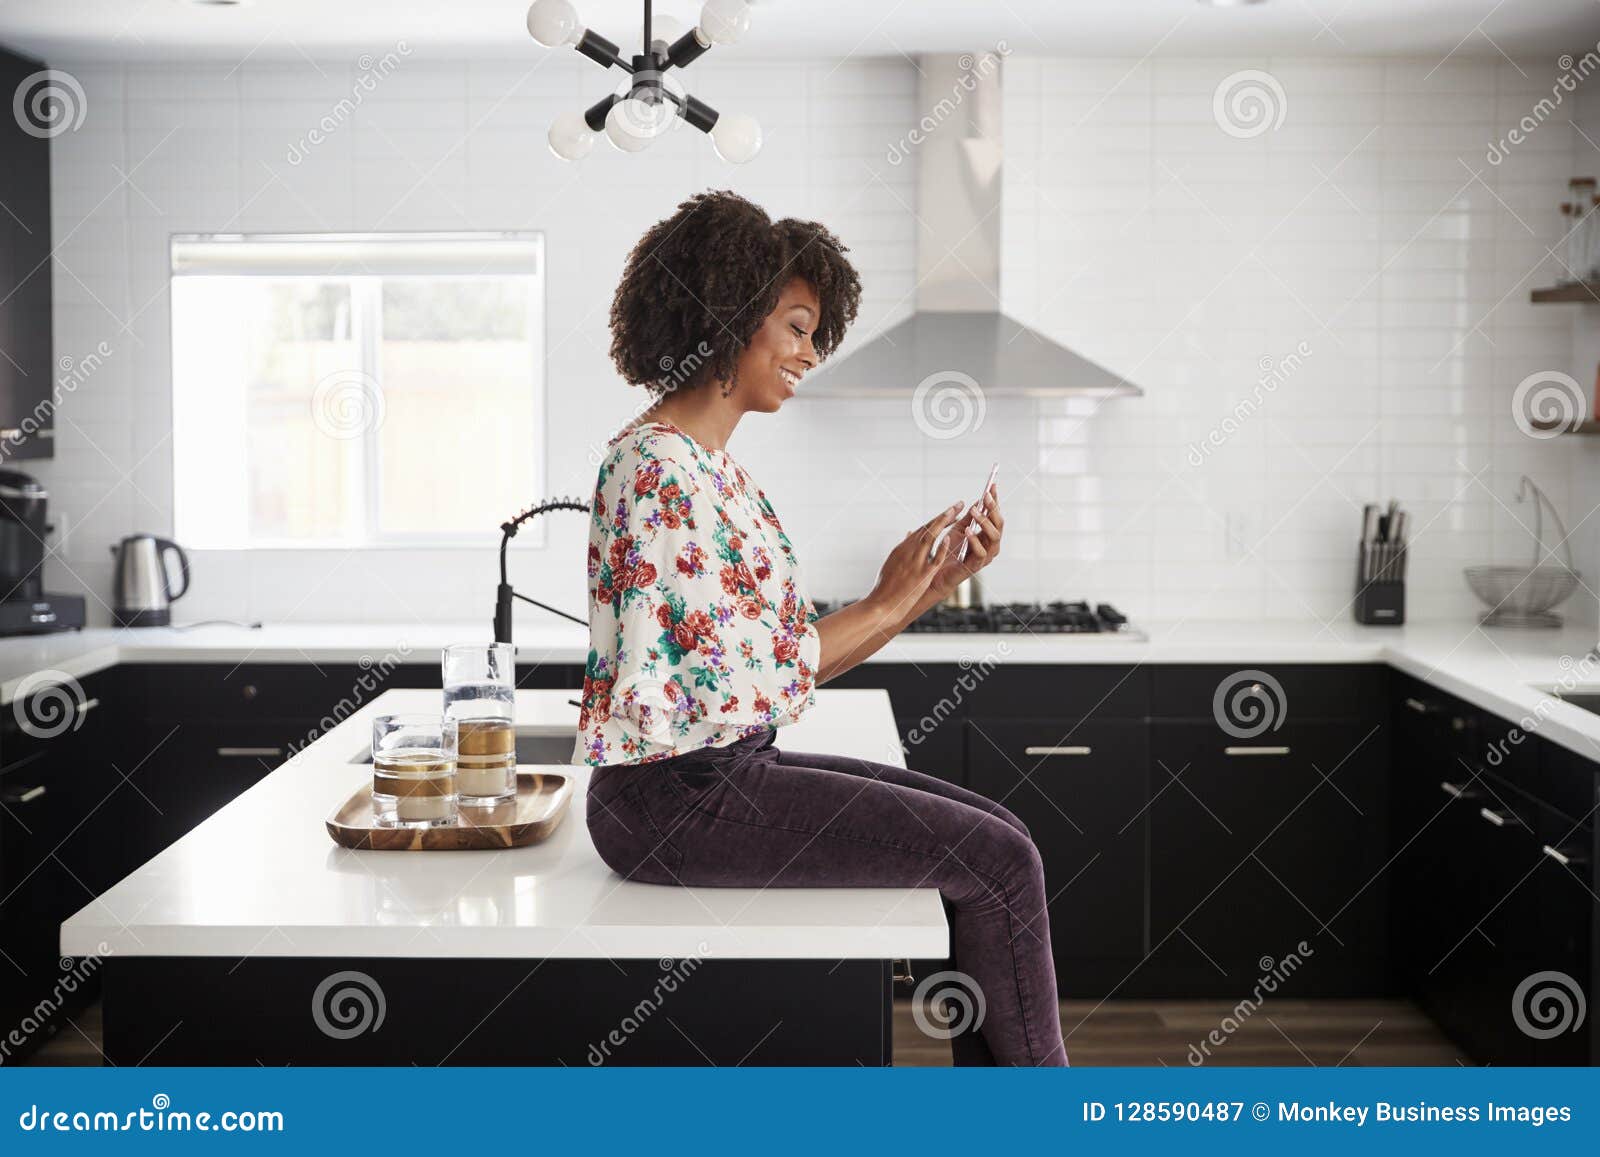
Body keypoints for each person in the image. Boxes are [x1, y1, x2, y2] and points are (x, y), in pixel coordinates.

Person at [574, 190, 1066, 1066]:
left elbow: (776, 657)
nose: (809, 351)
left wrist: (928, 584)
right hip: (676, 800)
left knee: (1005, 842)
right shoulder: (658, 469)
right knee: (996, 862)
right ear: (728, 317)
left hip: (720, 774)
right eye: (797, 326)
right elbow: (735, 683)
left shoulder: (711, 469)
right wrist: (884, 600)